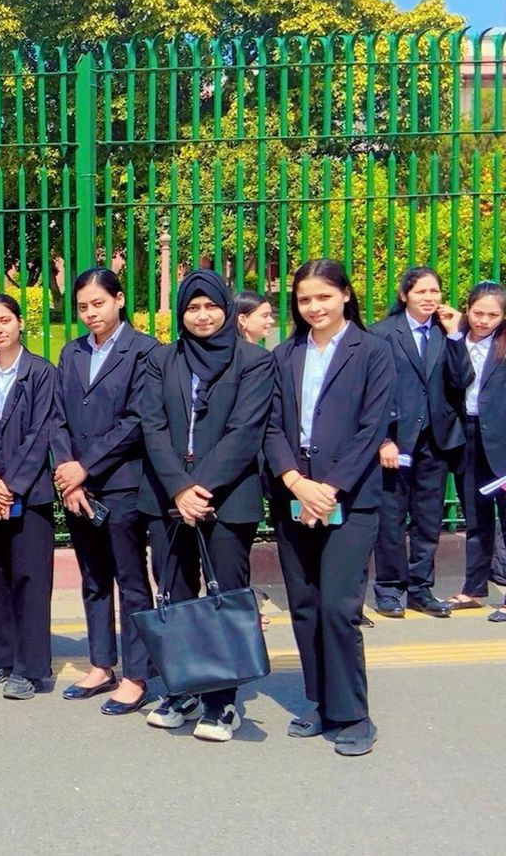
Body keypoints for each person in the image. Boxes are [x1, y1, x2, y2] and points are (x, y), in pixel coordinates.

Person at [264, 259, 394, 757]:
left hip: (350, 500)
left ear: (345, 295)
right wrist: (296, 483)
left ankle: (354, 713)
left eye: (323, 296)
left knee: (339, 608)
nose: (314, 307)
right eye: (304, 299)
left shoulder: (373, 351)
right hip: (295, 496)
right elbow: (270, 426)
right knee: (305, 606)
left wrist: (330, 488)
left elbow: (371, 428)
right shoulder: (284, 354)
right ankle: (321, 702)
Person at [137, 270, 273, 741]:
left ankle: (222, 701)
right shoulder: (162, 359)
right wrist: (179, 488)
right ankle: (185, 689)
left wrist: (201, 488)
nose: (202, 316)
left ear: (226, 309)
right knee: (174, 592)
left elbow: (245, 431)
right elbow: (152, 426)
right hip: (168, 496)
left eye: (210, 306)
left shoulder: (254, 361)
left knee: (224, 596)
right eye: (192, 308)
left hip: (228, 496)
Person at [53, 268, 160, 716]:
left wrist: (86, 467)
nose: (90, 314)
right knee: (94, 578)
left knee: (130, 580)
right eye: (82, 307)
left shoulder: (145, 351)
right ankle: (101, 665)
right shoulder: (72, 352)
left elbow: (137, 421)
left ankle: (137, 675)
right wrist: (67, 474)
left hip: (121, 485)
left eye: (98, 303)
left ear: (118, 300)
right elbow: (57, 417)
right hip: (77, 488)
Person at [0, 294, 66, 701]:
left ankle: (30, 667)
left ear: (20, 322)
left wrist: (12, 487)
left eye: (4, 320)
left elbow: (41, 434)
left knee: (30, 579)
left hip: (30, 495)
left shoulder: (41, 372)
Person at [369, 267, 468, 619]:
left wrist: (456, 336)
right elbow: (372, 391)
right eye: (421, 291)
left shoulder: (447, 333)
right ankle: (389, 588)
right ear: (404, 295)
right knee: (391, 518)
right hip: (396, 441)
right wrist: (383, 439)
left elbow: (462, 380)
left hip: (435, 442)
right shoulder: (382, 333)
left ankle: (420, 588)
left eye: (434, 291)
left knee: (428, 519)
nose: (429, 298)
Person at [448, 281, 506, 620]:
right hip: (467, 435)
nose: (484, 321)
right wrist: (455, 337)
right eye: (478, 312)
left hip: (501, 439)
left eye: (493, 315)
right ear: (467, 309)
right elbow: (456, 382)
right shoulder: (456, 339)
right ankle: (474, 589)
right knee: (475, 516)